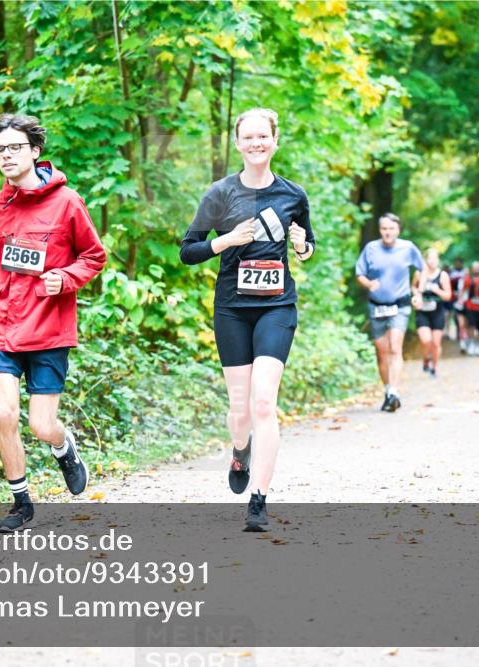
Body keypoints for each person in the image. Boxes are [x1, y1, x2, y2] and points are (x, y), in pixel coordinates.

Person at [0, 113, 107, 532]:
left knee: (41, 425)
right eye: (0, 150)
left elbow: (93, 256)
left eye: (14, 148)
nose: (6, 155)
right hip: (2, 325)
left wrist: (66, 278)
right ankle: (21, 502)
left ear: (35, 151)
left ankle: (64, 447)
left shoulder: (67, 203)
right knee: (4, 412)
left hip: (48, 327)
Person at [180, 108, 315, 532]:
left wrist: (302, 246)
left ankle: (259, 499)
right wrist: (226, 240)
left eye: (263, 136)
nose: (257, 143)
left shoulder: (293, 194)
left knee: (263, 402)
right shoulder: (220, 194)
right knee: (240, 410)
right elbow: (187, 251)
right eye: (249, 137)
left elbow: (307, 245)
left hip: (277, 306)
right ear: (237, 143)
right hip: (232, 309)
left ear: (275, 140)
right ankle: (240, 450)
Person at [355, 213, 424, 412]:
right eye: (384, 229)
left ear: (398, 230)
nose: (388, 232)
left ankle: (394, 391)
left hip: (400, 305)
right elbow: (359, 273)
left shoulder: (408, 248)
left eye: (391, 229)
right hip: (376, 305)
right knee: (381, 352)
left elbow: (422, 269)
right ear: (380, 230)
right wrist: (368, 284)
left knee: (395, 346)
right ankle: (388, 390)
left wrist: (417, 291)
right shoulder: (371, 249)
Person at [413, 248, 452, 377]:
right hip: (422, 312)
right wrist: (416, 295)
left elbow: (448, 296)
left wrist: (437, 291)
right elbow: (413, 287)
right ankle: (426, 358)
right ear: (425, 260)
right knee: (426, 341)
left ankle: (434, 368)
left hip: (437, 312)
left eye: (434, 258)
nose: (432, 261)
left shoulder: (442, 276)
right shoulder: (419, 274)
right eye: (429, 259)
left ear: (438, 260)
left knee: (435, 343)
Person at [447, 257, 468, 351]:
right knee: (456, 317)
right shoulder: (452, 273)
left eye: (459, 262)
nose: (458, 264)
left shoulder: (465, 272)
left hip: (464, 299)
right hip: (454, 298)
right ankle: (458, 333)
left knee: (464, 319)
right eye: (456, 262)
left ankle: (463, 336)